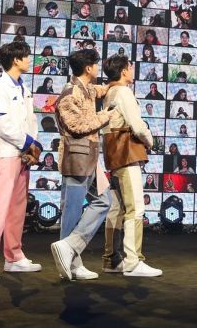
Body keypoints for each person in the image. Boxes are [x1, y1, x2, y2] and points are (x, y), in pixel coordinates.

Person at [50, 50, 120, 281]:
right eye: (96, 65)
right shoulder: (69, 93)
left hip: (89, 156)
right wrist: (105, 116)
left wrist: (114, 84)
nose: (98, 68)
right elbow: (77, 125)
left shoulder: (87, 88)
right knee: (71, 212)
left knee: (104, 200)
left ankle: (71, 250)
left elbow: (99, 90)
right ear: (88, 68)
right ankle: (70, 262)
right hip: (76, 157)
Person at [0, 42, 43, 278]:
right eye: (26, 56)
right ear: (16, 60)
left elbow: (31, 121)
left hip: (23, 155)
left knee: (17, 209)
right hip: (6, 153)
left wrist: (33, 147)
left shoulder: (23, 87)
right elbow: (3, 124)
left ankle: (14, 256)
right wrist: (28, 143)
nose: (29, 60)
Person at [100, 55, 161, 277]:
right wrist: (150, 141)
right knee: (135, 207)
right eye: (131, 67)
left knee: (116, 209)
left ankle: (111, 260)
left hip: (113, 155)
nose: (133, 70)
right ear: (124, 71)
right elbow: (138, 126)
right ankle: (133, 262)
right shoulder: (124, 92)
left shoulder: (109, 92)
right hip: (126, 154)